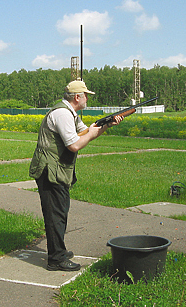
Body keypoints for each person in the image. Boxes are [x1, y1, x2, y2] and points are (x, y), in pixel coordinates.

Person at [29, 80, 123, 271]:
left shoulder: (70, 113)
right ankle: (56, 259)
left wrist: (106, 125)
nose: (87, 98)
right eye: (86, 95)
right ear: (77, 97)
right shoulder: (63, 114)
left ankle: (58, 251)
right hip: (50, 171)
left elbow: (85, 132)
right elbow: (75, 144)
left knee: (60, 212)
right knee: (55, 215)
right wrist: (93, 132)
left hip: (57, 170)